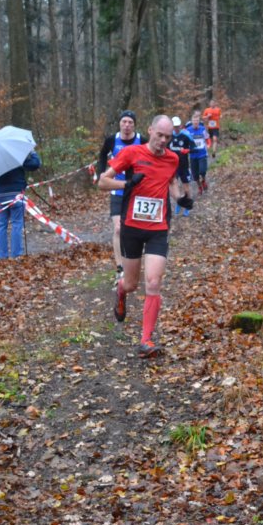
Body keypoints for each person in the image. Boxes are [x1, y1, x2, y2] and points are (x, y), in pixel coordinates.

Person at [97, 115, 181, 358]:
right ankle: (121, 290)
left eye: (167, 137)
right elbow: (103, 182)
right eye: (159, 135)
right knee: (132, 284)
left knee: (153, 282)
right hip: (132, 228)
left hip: (158, 228)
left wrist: (181, 197)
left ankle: (146, 340)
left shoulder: (173, 159)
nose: (163, 141)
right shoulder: (132, 153)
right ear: (150, 130)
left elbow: (172, 182)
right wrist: (127, 184)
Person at [97, 110, 143, 285]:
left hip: (136, 191)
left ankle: (133, 261)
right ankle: (120, 268)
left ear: (134, 125)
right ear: (119, 123)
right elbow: (102, 154)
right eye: (124, 121)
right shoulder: (112, 140)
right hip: (117, 189)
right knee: (118, 229)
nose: (127, 125)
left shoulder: (141, 140)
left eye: (130, 122)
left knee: (134, 229)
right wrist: (101, 174)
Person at [0, 150, 41, 259]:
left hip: (0, 194)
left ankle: (2, 256)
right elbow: (35, 165)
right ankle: (16, 255)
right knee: (17, 224)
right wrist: (33, 153)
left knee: (2, 225)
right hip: (16, 193)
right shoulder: (16, 154)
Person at [168, 116, 195, 217]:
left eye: (178, 126)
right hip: (172, 166)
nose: (176, 128)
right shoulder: (169, 135)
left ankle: (188, 206)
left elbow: (194, 147)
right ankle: (179, 202)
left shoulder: (186, 135)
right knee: (174, 186)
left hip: (183, 165)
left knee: (186, 187)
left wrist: (187, 150)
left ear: (180, 125)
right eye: (174, 126)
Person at [187, 111, 210, 194]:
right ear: (192, 121)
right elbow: (185, 141)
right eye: (194, 120)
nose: (196, 122)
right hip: (193, 155)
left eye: (197, 120)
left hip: (202, 154)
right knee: (195, 175)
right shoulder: (188, 131)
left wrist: (208, 145)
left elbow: (207, 138)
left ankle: (203, 180)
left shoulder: (202, 129)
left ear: (199, 121)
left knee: (202, 171)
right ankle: (199, 186)